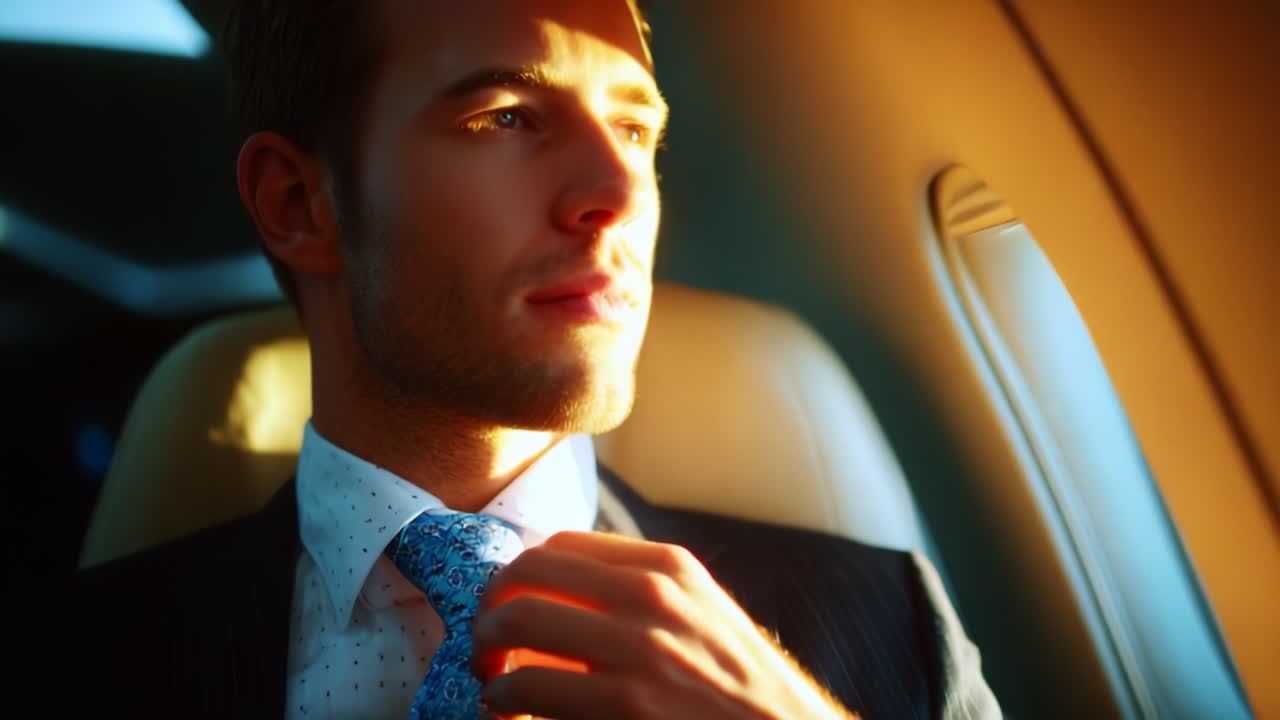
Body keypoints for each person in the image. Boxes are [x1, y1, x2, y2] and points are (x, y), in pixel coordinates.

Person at [29, 1, 1001, 718]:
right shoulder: (58, 672)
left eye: (633, 129)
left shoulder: (890, 636)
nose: (617, 195)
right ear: (299, 204)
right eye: (506, 118)